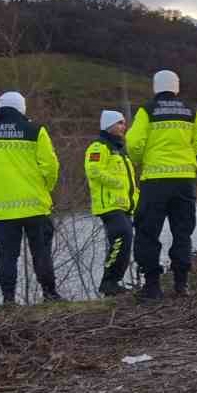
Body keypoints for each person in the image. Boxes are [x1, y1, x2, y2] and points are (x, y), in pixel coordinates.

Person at [125, 70, 197, 300]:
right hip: (184, 181)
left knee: (148, 233)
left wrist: (142, 160)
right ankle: (181, 285)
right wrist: (187, 156)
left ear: (155, 87)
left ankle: (152, 286)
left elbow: (134, 143)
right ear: (177, 87)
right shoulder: (190, 111)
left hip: (154, 181)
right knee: (182, 232)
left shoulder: (148, 110)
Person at [0, 91, 61, 304]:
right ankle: (50, 294)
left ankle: (8, 299)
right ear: (22, 108)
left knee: (7, 255)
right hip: (35, 205)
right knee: (41, 251)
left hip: (1, 208)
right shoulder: (35, 130)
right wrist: (45, 187)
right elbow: (50, 165)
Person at [85, 109, 138, 296]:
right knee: (122, 237)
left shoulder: (120, 150)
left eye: (124, 122)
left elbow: (131, 182)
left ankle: (113, 283)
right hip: (109, 205)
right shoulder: (99, 147)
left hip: (124, 206)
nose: (124, 126)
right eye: (120, 123)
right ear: (109, 125)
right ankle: (109, 282)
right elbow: (93, 170)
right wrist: (116, 183)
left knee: (126, 239)